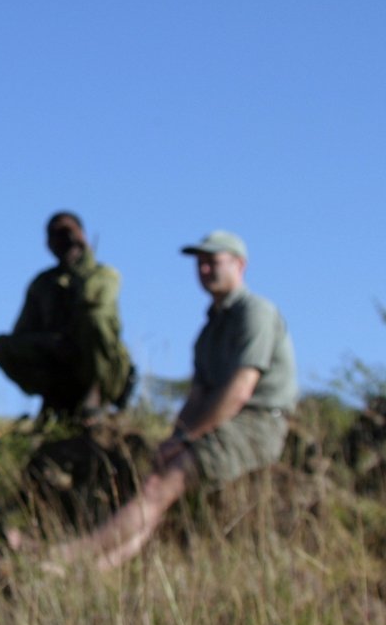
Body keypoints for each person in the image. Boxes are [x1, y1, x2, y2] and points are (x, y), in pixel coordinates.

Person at [47, 230, 297, 569]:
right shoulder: (208, 331)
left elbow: (240, 391)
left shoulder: (255, 312)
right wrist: (174, 439)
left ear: (240, 265)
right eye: (201, 263)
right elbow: (197, 397)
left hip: (258, 422)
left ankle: (66, 556)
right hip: (220, 423)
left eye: (213, 261)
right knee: (158, 477)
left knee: (159, 484)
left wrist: (185, 438)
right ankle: (95, 569)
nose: (205, 270)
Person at [0, 212, 135, 421]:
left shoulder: (103, 274)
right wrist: (49, 342)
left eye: (66, 232)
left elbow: (97, 311)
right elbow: (21, 333)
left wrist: (80, 262)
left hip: (98, 364)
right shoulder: (42, 284)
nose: (61, 239)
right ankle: (53, 397)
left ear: (82, 235)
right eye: (53, 234)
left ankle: (95, 395)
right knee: (2, 345)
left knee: (95, 318)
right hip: (57, 360)